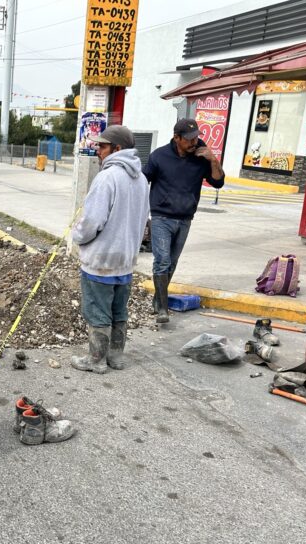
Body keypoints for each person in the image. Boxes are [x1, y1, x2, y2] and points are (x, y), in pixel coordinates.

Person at [70, 125, 150, 374]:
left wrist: (78, 235)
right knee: (118, 310)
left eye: (102, 146)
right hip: (125, 259)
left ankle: (96, 360)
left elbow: (92, 221)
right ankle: (116, 357)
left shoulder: (107, 177)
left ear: (117, 149)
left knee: (98, 310)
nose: (98, 151)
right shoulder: (141, 178)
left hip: (102, 258)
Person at [143, 118, 224, 324]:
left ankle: (157, 301)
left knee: (172, 262)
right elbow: (143, 180)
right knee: (162, 261)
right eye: (189, 139)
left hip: (186, 218)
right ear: (176, 138)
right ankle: (162, 309)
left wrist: (213, 159)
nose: (194, 142)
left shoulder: (201, 155)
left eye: (196, 137)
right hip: (161, 216)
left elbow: (218, 182)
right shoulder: (159, 156)